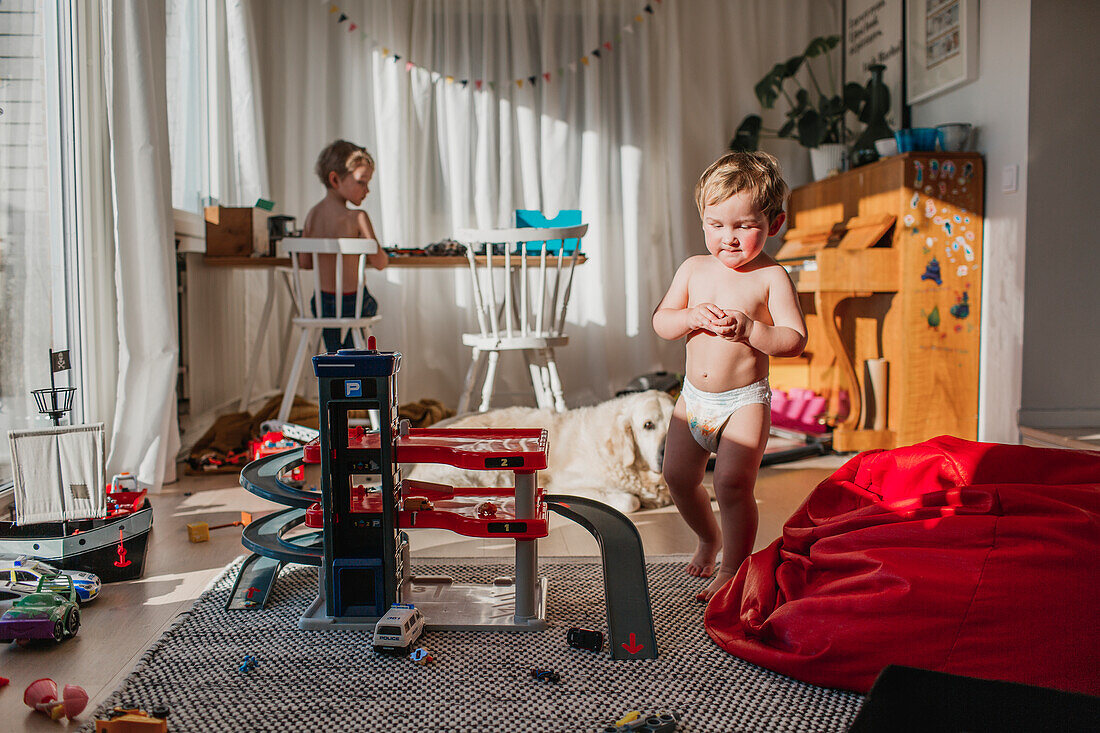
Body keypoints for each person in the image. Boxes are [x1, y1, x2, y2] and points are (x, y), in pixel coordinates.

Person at [652, 151, 807, 602]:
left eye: (744, 226)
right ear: (703, 221)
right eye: (716, 224)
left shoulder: (771, 277)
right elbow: (662, 322)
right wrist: (689, 317)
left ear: (774, 224)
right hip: (693, 399)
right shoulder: (693, 269)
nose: (729, 238)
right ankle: (708, 537)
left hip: (744, 402)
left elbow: (794, 338)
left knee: (733, 485)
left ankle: (734, 569)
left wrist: (752, 329)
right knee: (677, 476)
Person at [300, 139, 389, 352]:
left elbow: (304, 262)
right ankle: (351, 354)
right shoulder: (358, 217)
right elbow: (380, 263)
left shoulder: (313, 215)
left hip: (323, 305)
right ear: (335, 179)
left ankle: (335, 358)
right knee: (369, 307)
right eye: (361, 182)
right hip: (354, 304)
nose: (366, 190)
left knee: (332, 339)